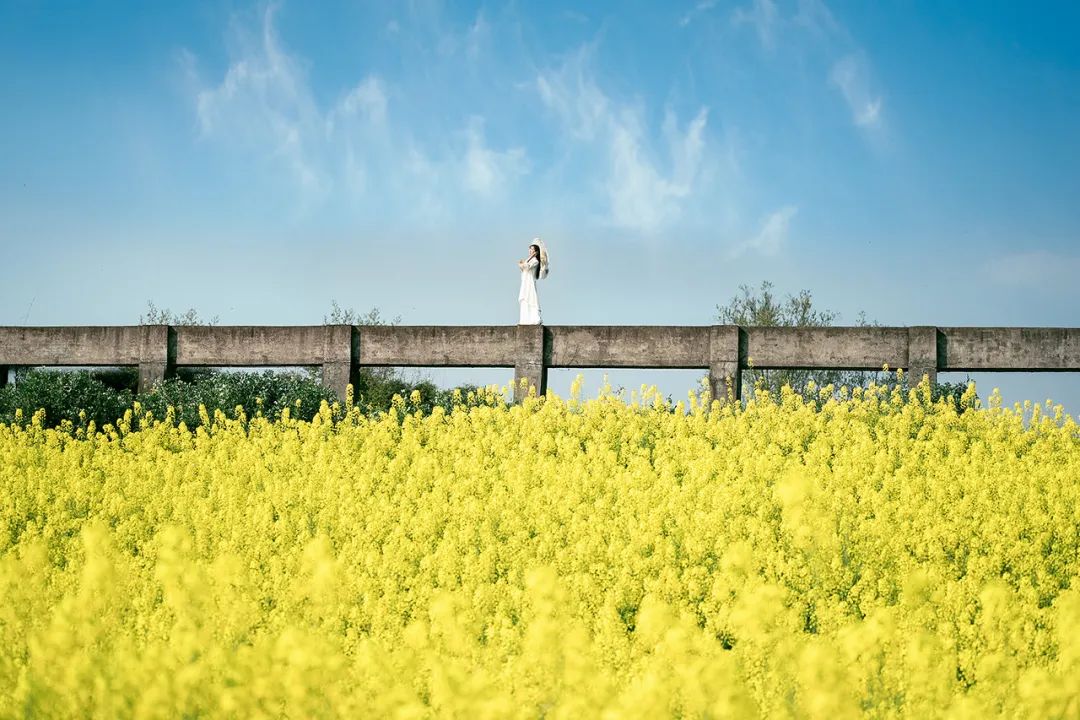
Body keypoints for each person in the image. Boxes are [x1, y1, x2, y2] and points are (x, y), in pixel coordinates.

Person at [517, 238, 549, 325]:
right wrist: (523, 263)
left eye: (532, 249)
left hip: (530, 283)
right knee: (524, 299)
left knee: (530, 299)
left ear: (536, 252)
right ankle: (524, 320)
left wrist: (528, 259)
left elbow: (526, 266)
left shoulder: (535, 261)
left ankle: (533, 319)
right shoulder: (531, 260)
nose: (530, 251)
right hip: (525, 283)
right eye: (530, 249)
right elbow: (523, 267)